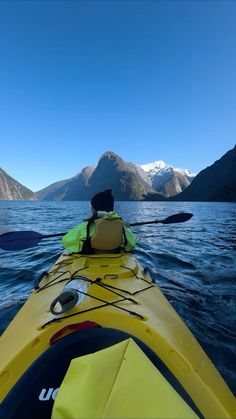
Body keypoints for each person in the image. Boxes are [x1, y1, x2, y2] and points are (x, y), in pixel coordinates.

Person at [61, 189, 136, 253]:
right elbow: (132, 243)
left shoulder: (86, 226)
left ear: (94, 209)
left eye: (92, 206)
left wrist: (80, 245)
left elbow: (65, 241)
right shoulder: (121, 226)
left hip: (90, 261)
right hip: (116, 258)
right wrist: (128, 228)